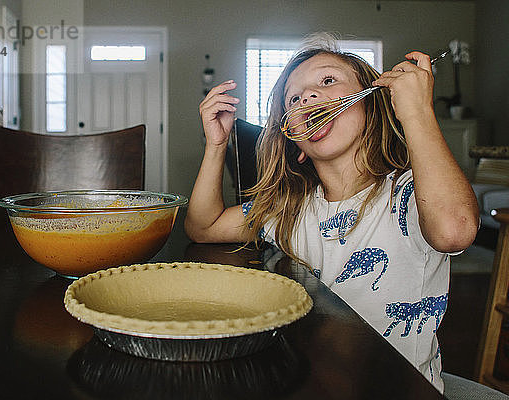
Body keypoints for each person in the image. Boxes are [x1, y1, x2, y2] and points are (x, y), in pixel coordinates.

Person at [184, 33, 479, 393]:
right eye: (294, 98)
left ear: (372, 108)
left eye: (327, 81)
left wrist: (416, 112)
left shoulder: (410, 196)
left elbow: (455, 230)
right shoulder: (289, 210)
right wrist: (216, 145)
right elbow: (204, 227)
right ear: (296, 142)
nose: (307, 96)